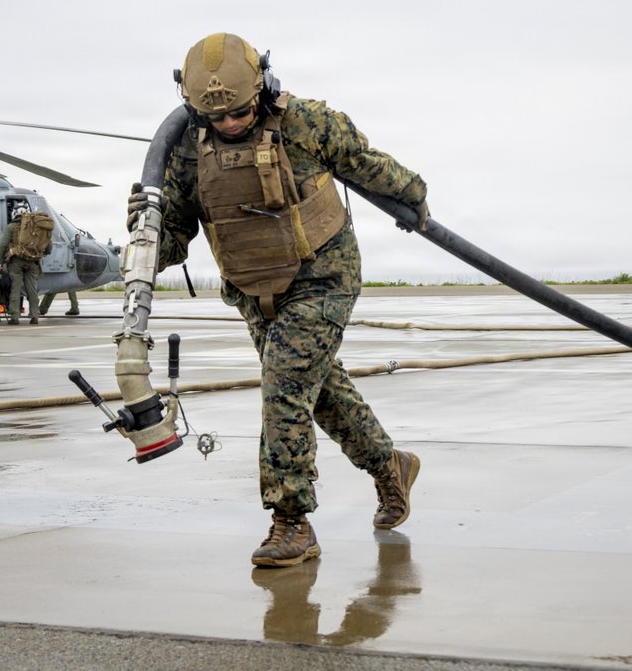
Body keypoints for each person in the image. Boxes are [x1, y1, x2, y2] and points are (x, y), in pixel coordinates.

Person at [128, 33, 430, 568]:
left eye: (239, 112)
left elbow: (370, 166)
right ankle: (391, 467)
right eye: (214, 117)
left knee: (284, 386)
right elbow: (176, 237)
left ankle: (291, 523)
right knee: (319, 391)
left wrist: (413, 196)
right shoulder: (184, 151)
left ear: (263, 86)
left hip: (322, 277)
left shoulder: (310, 123)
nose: (228, 124)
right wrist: (145, 228)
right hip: (253, 288)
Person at [0, 202, 54, 325]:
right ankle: (34, 316)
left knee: (15, 289)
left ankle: (15, 317)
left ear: (14, 213)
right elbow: (48, 246)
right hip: (33, 262)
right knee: (32, 290)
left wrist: (0, 262)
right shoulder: (36, 226)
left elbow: (2, 245)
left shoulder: (11, 227)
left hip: (16, 262)